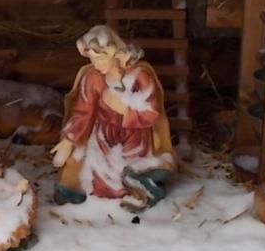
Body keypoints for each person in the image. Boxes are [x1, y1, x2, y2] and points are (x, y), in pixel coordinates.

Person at [51, 25, 175, 211]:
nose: (97, 64)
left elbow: (151, 113)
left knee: (126, 173)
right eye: (92, 59)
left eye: (101, 58)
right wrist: (69, 140)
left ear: (114, 53)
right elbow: (83, 111)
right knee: (85, 170)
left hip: (133, 137)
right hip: (102, 136)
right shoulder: (92, 77)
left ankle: (141, 189)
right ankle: (82, 192)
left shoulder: (138, 76)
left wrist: (124, 110)